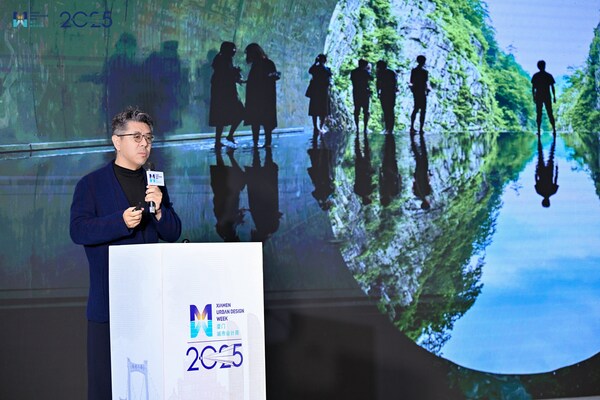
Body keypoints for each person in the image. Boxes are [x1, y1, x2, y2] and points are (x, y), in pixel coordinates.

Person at [70, 107, 182, 399]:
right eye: (137, 137)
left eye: (149, 137)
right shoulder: (91, 185)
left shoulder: (155, 183)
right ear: (117, 141)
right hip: (109, 305)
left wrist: (160, 211)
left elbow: (173, 233)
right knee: (105, 387)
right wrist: (119, 222)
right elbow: (78, 231)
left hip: (150, 305)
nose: (145, 144)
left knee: (151, 385)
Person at [209, 41, 245, 147]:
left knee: (221, 117)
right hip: (226, 94)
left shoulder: (221, 60)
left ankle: (219, 140)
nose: (235, 51)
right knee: (240, 112)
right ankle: (227, 136)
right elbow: (225, 76)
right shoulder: (224, 61)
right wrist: (235, 74)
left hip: (223, 94)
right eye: (233, 49)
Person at [244, 43, 280, 147]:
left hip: (259, 97)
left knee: (256, 120)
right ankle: (265, 142)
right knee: (264, 121)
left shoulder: (259, 65)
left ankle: (258, 142)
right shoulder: (267, 63)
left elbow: (269, 77)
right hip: (265, 97)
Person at [307, 54, 333, 133]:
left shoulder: (325, 69)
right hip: (320, 91)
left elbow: (329, 74)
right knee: (317, 110)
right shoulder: (318, 68)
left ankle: (319, 127)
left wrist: (317, 63)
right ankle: (317, 127)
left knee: (322, 110)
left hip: (319, 91)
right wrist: (316, 64)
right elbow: (310, 71)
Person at [531, 60, 556, 134]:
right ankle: (554, 129)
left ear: (538, 66)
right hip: (547, 95)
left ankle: (538, 130)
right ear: (545, 66)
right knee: (550, 112)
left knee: (539, 113)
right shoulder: (548, 75)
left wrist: (534, 96)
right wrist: (554, 96)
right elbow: (552, 87)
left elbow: (533, 88)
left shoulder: (536, 76)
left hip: (539, 96)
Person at [350, 59, 373, 134]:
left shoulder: (353, 72)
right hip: (364, 93)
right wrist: (368, 70)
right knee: (366, 111)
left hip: (356, 92)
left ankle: (357, 127)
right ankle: (365, 128)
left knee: (357, 110)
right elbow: (371, 78)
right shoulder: (365, 72)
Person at [410, 55, 431, 133]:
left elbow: (411, 81)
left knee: (415, 108)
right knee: (423, 110)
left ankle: (412, 126)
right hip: (422, 92)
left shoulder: (414, 70)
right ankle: (421, 128)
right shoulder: (424, 72)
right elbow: (425, 82)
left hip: (416, 91)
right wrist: (427, 90)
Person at [376, 60, 398, 134]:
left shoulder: (384, 73)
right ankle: (389, 128)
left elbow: (378, 83)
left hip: (387, 93)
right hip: (389, 93)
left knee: (388, 111)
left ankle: (389, 128)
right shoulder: (390, 72)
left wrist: (378, 92)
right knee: (388, 111)